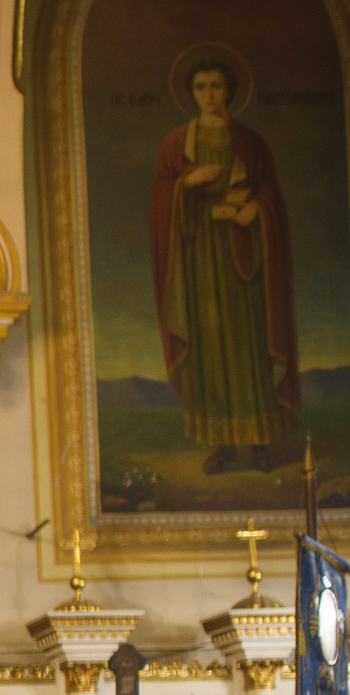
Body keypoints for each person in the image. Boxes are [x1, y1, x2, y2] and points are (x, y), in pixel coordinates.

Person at [150, 54, 297, 473]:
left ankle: (260, 439)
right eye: (201, 87)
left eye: (215, 86)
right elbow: (159, 201)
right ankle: (226, 444)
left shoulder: (250, 142)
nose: (209, 95)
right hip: (199, 261)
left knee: (248, 342)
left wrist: (256, 210)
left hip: (243, 261)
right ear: (191, 93)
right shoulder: (176, 144)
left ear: (229, 89)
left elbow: (272, 198)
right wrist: (184, 184)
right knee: (212, 349)